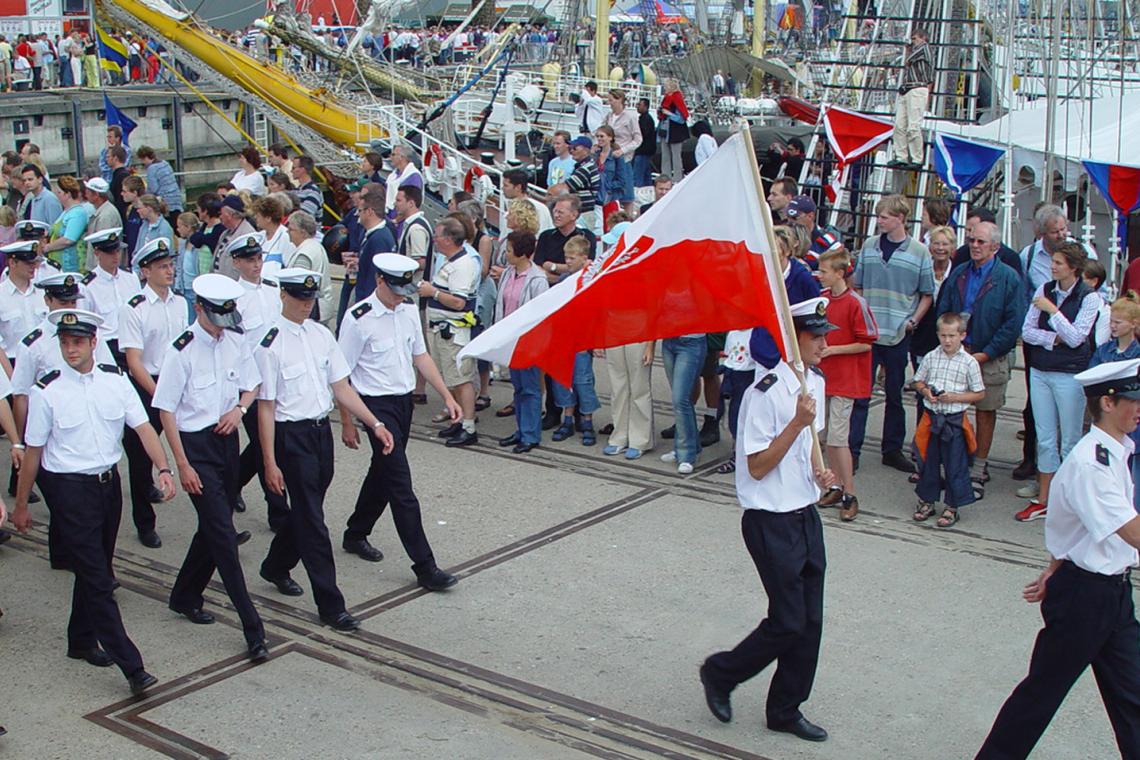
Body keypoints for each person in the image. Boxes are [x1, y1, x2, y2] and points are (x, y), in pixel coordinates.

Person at [975, 359, 1140, 760]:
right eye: (1134, 400)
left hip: (1109, 592)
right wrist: (1064, 570)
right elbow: (1131, 532)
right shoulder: (1092, 464)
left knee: (1134, 693)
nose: (1139, 409)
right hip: (1086, 597)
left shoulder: (1116, 450)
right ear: (1107, 402)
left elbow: (1075, 525)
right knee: (1041, 695)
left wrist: (1055, 565)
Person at [10, 308, 174, 696]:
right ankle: (132, 667)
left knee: (96, 564)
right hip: (69, 490)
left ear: (93, 343)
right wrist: (21, 504)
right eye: (65, 343)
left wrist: (164, 468)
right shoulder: (46, 391)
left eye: (78, 343)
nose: (71, 350)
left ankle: (80, 640)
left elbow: (143, 428)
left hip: (106, 486)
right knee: (100, 580)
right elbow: (33, 453)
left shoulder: (115, 383)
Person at [699, 297, 838, 744]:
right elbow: (757, 465)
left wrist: (820, 471)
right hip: (770, 518)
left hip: (804, 513)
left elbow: (808, 445)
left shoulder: (814, 382)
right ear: (792, 339)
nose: (824, 342)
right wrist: (796, 425)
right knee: (788, 621)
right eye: (815, 335)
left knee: (810, 621)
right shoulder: (761, 393)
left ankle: (785, 708)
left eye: (824, 334)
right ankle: (721, 673)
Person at [254, 267, 394, 632]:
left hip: (320, 433)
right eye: (300, 298)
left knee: (307, 510)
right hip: (291, 436)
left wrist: (373, 423)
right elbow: (266, 407)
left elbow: (342, 387)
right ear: (283, 295)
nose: (306, 305)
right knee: (314, 522)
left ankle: (275, 566)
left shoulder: (320, 335)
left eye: (311, 299)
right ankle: (331, 604)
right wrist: (268, 462)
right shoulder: (269, 344)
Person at [152, 275, 268, 662]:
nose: (223, 322)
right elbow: (165, 409)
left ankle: (185, 594)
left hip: (226, 441)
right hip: (195, 447)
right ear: (199, 308)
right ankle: (253, 628)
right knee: (222, 535)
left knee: (212, 526)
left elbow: (252, 384)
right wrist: (180, 463)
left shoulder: (234, 340)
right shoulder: (180, 350)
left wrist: (240, 409)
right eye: (216, 314)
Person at [337, 253, 462, 589]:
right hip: (375, 407)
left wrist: (447, 395)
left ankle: (356, 532)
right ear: (379, 280)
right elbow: (340, 376)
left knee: (382, 473)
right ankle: (425, 566)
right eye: (396, 289)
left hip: (402, 401)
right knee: (401, 486)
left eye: (405, 289)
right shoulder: (358, 318)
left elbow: (419, 355)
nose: (401, 296)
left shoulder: (407, 310)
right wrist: (348, 421)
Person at [935, 220, 1026, 498]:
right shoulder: (960, 272)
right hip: (956, 351)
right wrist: (949, 342)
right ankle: (952, 462)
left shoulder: (1009, 278)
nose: (974, 246)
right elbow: (945, 309)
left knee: (985, 410)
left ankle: (980, 467)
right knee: (950, 409)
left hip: (990, 355)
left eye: (980, 242)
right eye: (971, 240)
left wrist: (985, 353)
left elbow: (1013, 323)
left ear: (995, 247)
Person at [850, 194, 934, 474]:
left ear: (900, 218)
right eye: (879, 216)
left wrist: (913, 320)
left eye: (885, 216)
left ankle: (892, 448)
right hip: (870, 333)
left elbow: (927, 293)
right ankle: (853, 449)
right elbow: (858, 285)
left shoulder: (919, 252)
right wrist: (862, 314)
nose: (880, 220)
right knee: (860, 394)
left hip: (899, 332)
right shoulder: (869, 246)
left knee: (895, 394)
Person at [1018, 241, 1099, 523]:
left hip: (1069, 374)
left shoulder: (1089, 297)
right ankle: (1044, 498)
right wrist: (1054, 339)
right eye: (1052, 262)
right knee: (1045, 438)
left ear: (1073, 268)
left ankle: (1069, 500)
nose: (1052, 267)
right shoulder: (1044, 289)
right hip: (1041, 369)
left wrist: (1053, 312)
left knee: (1071, 439)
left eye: (1058, 263)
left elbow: (1078, 338)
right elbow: (1027, 331)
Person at [119, 238, 188, 548]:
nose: (170, 271)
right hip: (147, 386)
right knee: (139, 456)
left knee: (195, 448)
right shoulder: (134, 308)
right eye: (162, 267)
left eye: (171, 265)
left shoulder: (180, 303)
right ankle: (145, 523)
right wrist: (160, 395)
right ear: (145, 271)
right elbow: (134, 361)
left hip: (176, 384)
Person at [224, 233, 286, 530]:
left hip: (276, 376)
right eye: (250, 260)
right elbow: (234, 345)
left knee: (267, 442)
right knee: (264, 444)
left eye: (259, 258)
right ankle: (278, 512)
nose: (257, 264)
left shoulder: (273, 289)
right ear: (236, 262)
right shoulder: (233, 299)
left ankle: (233, 482)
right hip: (250, 381)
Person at [817, 247, 877, 521]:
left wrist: (834, 350)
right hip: (825, 377)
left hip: (846, 380)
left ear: (840, 273)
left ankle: (850, 492)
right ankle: (836, 486)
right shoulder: (823, 299)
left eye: (825, 271)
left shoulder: (856, 303)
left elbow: (866, 342)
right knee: (826, 436)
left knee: (839, 439)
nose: (820, 276)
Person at [910, 313, 985, 528]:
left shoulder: (969, 362)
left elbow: (979, 393)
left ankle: (953, 505)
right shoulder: (932, 356)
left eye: (952, 335)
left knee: (955, 464)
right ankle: (927, 500)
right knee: (928, 461)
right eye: (943, 335)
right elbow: (917, 381)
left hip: (954, 419)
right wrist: (926, 392)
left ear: (962, 335)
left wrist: (955, 397)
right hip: (932, 417)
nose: (947, 340)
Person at [418, 217, 479, 447]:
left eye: (437, 235)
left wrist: (432, 293)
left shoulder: (463, 265)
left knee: (461, 379)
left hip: (453, 332)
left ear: (449, 239)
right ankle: (458, 420)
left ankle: (469, 426)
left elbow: (459, 302)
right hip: (440, 330)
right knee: (449, 379)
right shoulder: (449, 260)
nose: (434, 239)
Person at [492, 232, 550, 453]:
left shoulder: (537, 279)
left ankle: (530, 434)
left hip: (528, 341)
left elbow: (542, 314)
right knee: (518, 388)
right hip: (510, 339)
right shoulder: (508, 273)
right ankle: (521, 429)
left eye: (508, 250)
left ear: (522, 252)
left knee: (531, 389)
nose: (506, 254)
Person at [1090, 295, 1140, 512]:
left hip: (1131, 426)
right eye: (1111, 321)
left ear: (1133, 324)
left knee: (1131, 477)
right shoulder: (1104, 350)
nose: (1112, 326)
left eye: (1118, 322)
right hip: (1106, 421)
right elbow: (1092, 377)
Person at [550, 235, 600, 448]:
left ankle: (587, 420)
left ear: (583, 258)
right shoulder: (563, 281)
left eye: (571, 258)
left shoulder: (591, 280)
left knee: (583, 379)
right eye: (566, 257)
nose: (567, 262)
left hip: (581, 341)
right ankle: (567, 418)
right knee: (563, 380)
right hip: (564, 338)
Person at [81, 228, 141, 364]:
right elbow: (87, 325)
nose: (115, 256)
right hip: (108, 347)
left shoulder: (131, 277)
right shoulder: (87, 286)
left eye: (117, 251)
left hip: (135, 342)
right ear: (97, 252)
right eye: (109, 252)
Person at [888, 28, 933, 170]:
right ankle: (901, 156)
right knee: (899, 126)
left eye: (915, 39)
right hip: (908, 89)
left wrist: (907, 50)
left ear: (923, 38)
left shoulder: (924, 48)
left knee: (913, 126)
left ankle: (917, 158)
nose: (912, 42)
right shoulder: (918, 51)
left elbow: (908, 60)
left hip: (917, 89)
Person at [283, 211, 335, 331]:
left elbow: (297, 287)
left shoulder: (304, 254)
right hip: (318, 306)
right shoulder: (315, 246)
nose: (287, 232)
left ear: (302, 232)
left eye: (291, 229)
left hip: (311, 310)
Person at [38, 176, 87, 274]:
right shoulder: (66, 212)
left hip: (70, 264)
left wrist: (48, 247)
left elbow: (69, 239)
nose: (57, 195)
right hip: (58, 262)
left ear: (67, 194)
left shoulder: (77, 213)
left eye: (59, 192)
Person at [603, 89, 641, 208]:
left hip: (624, 159)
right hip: (609, 159)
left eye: (611, 100)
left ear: (619, 100)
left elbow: (638, 139)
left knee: (627, 195)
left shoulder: (630, 117)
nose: (609, 103)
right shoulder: (608, 116)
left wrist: (623, 150)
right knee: (609, 192)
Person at [136, 146, 183, 224]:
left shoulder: (152, 169)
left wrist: (143, 197)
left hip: (166, 203)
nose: (142, 163)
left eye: (142, 160)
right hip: (176, 199)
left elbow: (153, 189)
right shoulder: (165, 163)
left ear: (145, 157)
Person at [213, 195, 255, 280]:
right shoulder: (225, 233)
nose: (219, 217)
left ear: (230, 215)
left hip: (234, 287)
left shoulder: (248, 234)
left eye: (221, 213)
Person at [501, 169, 553, 234]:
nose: (502, 188)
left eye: (506, 185)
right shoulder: (542, 208)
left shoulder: (540, 209)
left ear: (518, 187)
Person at [657, 78, 689, 182]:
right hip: (665, 130)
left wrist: (668, 113)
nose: (664, 88)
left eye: (666, 86)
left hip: (675, 131)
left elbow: (682, 118)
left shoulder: (677, 98)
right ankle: (665, 178)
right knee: (665, 156)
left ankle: (677, 179)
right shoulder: (666, 98)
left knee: (676, 156)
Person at [383, 145, 422, 216]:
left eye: (393, 154)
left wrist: (396, 220)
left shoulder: (413, 176)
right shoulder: (393, 175)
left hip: (401, 219)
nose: (390, 157)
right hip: (389, 214)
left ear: (402, 157)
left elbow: (413, 203)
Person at [633, 98, 657, 188]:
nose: (637, 107)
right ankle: (648, 190)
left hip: (643, 150)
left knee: (638, 175)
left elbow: (643, 134)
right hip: (647, 150)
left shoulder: (645, 119)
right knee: (646, 175)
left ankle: (638, 191)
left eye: (640, 105)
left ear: (645, 107)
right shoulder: (647, 119)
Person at [290, 156, 323, 221]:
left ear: (302, 170)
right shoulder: (296, 190)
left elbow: (303, 217)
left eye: (293, 168)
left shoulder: (314, 192)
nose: (291, 171)